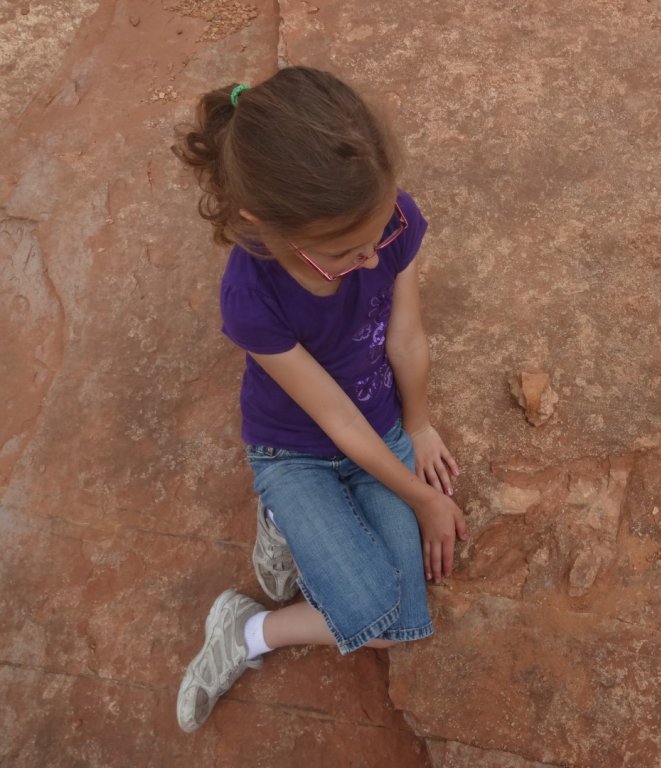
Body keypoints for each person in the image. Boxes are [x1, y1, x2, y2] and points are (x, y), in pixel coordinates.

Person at [172, 67, 467, 732]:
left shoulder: (394, 221)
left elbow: (408, 336)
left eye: (377, 238)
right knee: (372, 618)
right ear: (262, 226)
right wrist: (423, 497)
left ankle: (258, 618)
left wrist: (417, 425)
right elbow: (332, 416)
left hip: (381, 430)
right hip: (294, 449)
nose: (370, 260)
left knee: (400, 624)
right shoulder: (250, 296)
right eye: (343, 252)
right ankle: (244, 623)